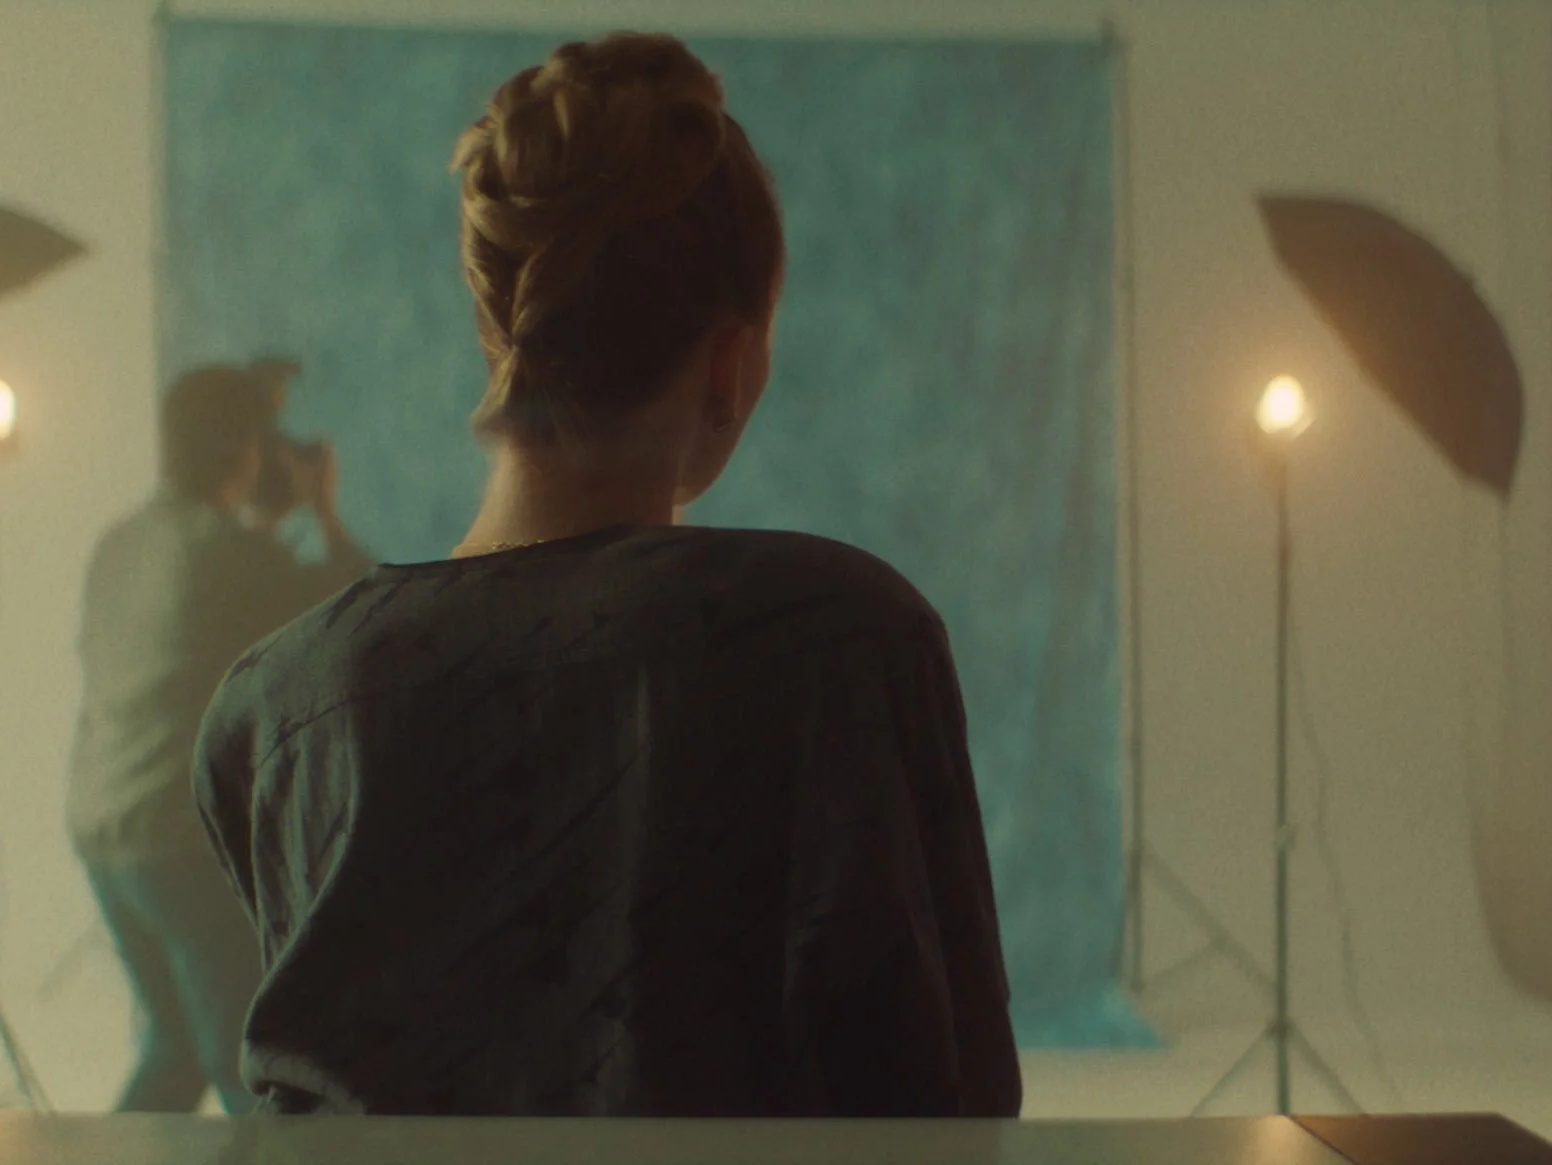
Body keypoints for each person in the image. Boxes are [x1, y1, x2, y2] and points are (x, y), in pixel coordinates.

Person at [193, 32, 1021, 1118]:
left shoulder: (274, 710)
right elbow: (948, 1116)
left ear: (500, 333)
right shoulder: (841, 640)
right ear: (732, 366)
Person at [66, 363, 373, 1113]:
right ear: (246, 452)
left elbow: (218, 620)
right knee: (253, 1073)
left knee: (174, 1047)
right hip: (174, 844)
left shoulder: (122, 541)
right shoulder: (221, 553)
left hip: (103, 832)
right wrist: (325, 511)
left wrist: (263, 518)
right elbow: (355, 614)